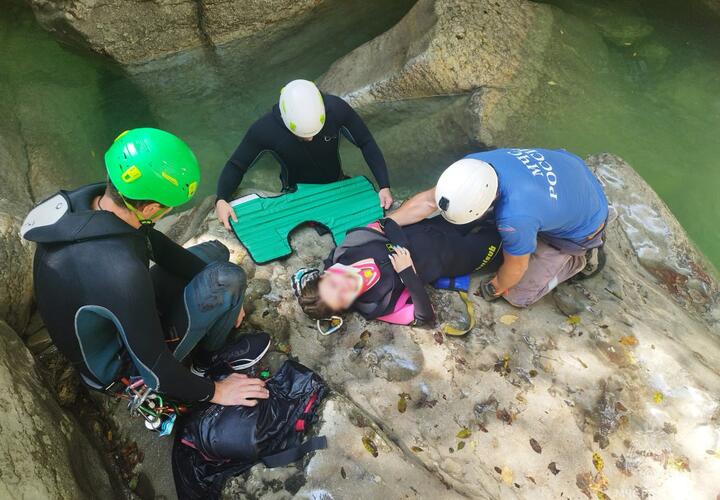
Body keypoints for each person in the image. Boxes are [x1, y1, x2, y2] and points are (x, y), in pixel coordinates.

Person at [21, 128, 270, 407]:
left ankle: (221, 308)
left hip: (109, 317)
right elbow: (155, 371)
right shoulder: (121, 272)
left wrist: (232, 304)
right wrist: (217, 392)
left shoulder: (91, 205)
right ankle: (205, 362)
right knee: (228, 278)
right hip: (123, 368)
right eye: (167, 207)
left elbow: (157, 246)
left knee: (215, 253)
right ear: (150, 209)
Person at [388, 148, 609, 307]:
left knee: (517, 295)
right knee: (519, 228)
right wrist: (383, 225)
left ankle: (582, 257)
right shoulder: (472, 167)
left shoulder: (515, 217)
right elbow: (427, 202)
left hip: (584, 225)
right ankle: (553, 218)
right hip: (569, 169)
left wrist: (493, 288)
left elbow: (516, 268)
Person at [215, 79, 393, 230]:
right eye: (303, 135)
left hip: (337, 182)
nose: (311, 138)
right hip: (296, 193)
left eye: (315, 132)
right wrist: (221, 198)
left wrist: (384, 185)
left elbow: (365, 142)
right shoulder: (265, 129)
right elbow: (237, 164)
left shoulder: (336, 109)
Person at [292, 215, 502, 328]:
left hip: (437, 226)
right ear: (345, 307)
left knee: (491, 208)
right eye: (344, 297)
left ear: (327, 273)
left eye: (335, 284)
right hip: (458, 257)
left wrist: (401, 245)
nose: (346, 286)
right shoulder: (374, 305)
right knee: (507, 237)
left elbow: (386, 223)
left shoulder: (347, 249)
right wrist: (407, 273)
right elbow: (425, 318)